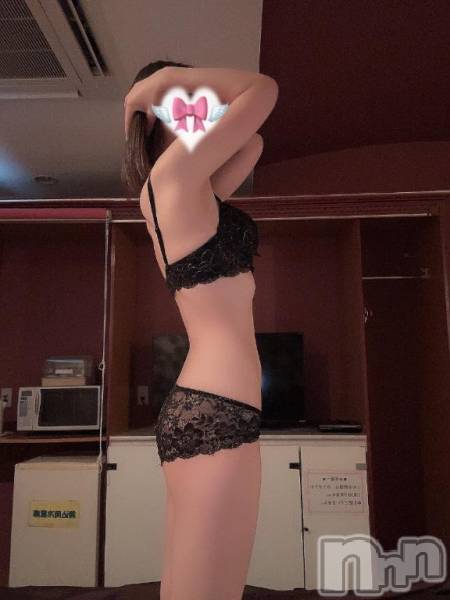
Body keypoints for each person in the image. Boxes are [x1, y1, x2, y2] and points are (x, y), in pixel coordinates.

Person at [122, 60, 279, 600]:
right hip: (217, 407)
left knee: (198, 586)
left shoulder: (186, 187)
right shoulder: (173, 179)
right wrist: (163, 83)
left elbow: (252, 142)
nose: (204, 104)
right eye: (192, 96)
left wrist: (177, 95)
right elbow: (263, 91)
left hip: (214, 403)